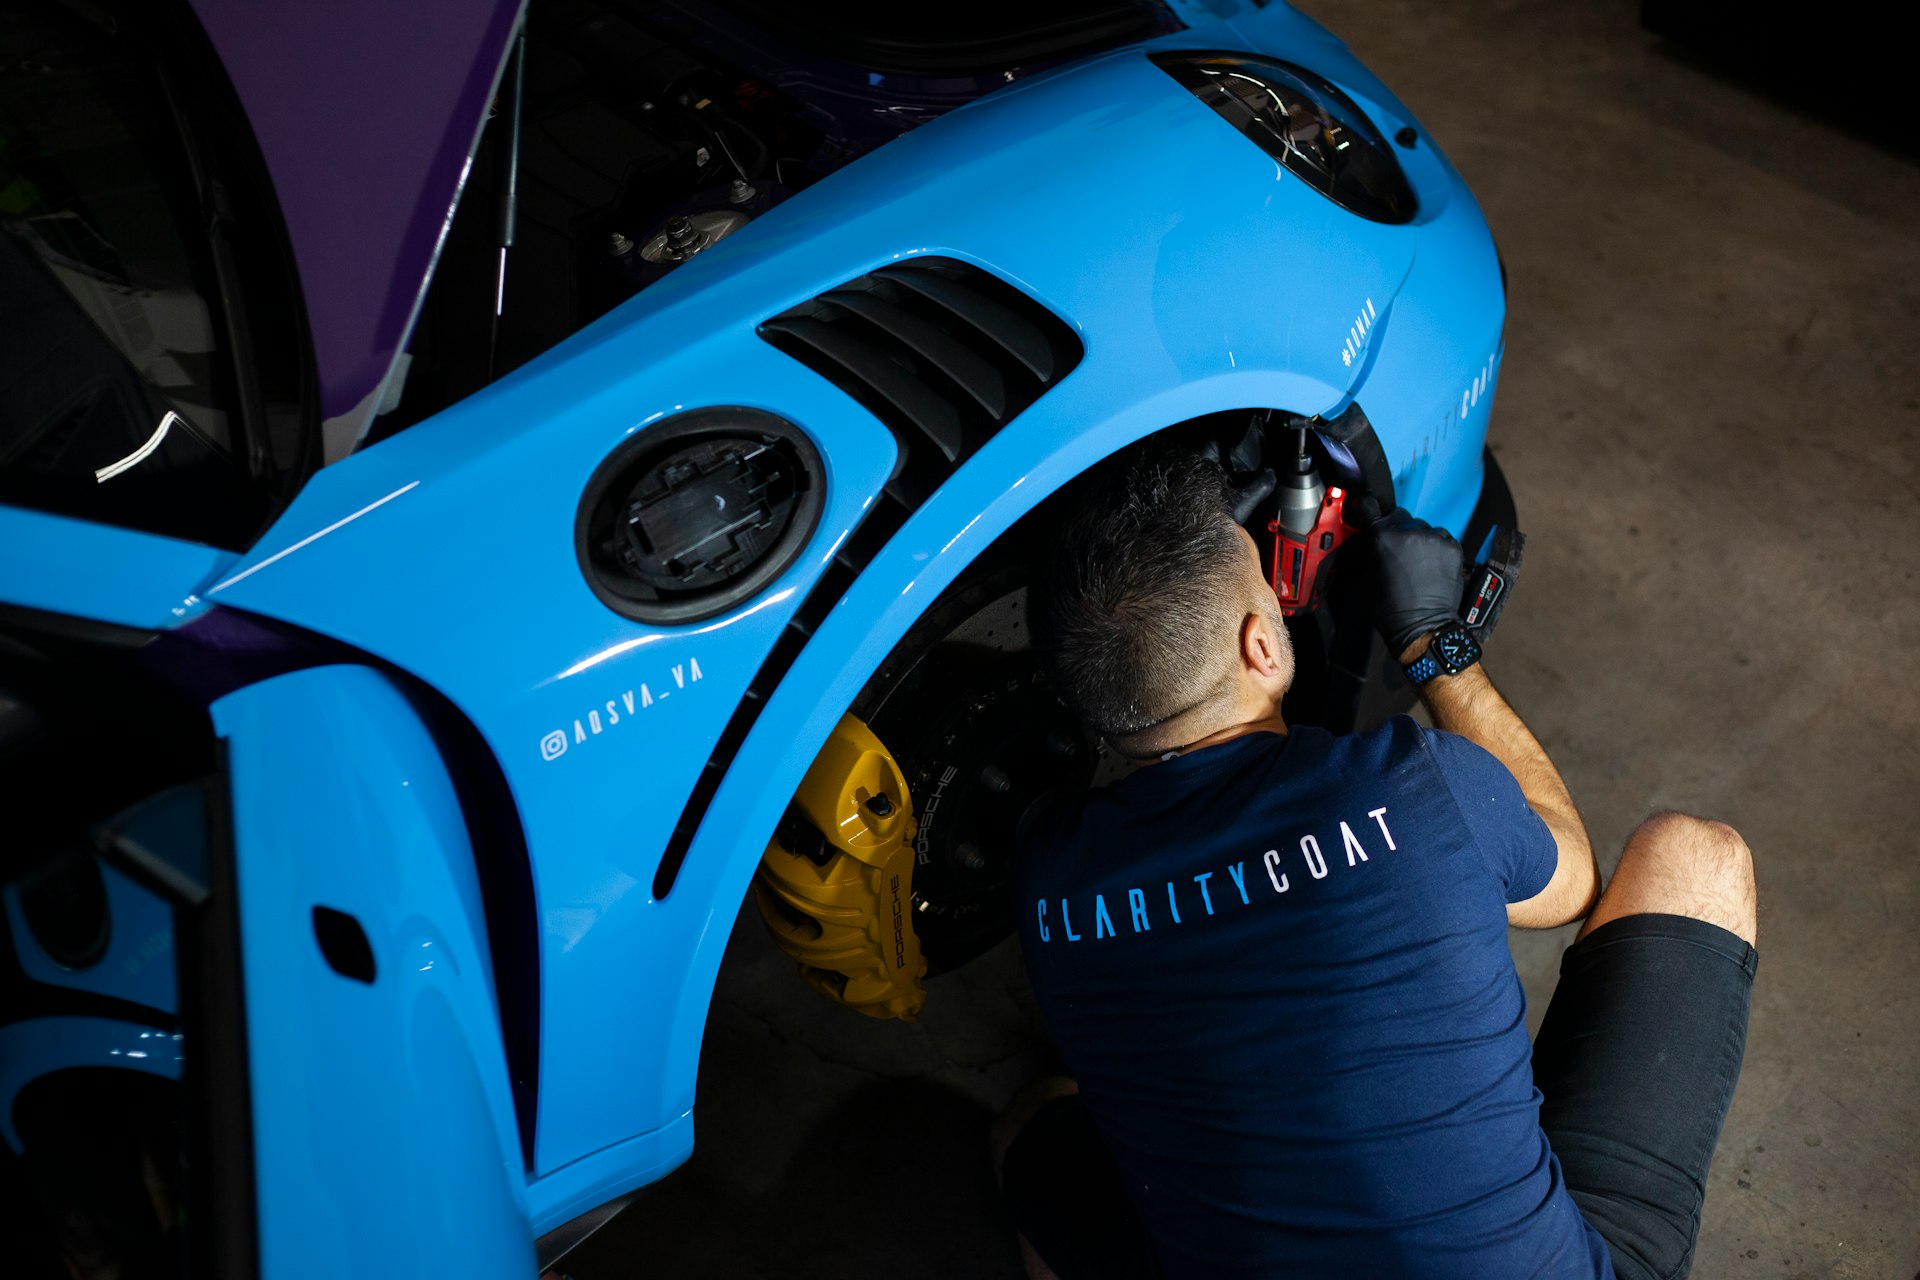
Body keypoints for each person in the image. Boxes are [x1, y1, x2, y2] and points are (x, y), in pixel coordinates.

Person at [992, 444, 1757, 1280]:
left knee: (1032, 1124)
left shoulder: (1045, 877)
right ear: (1261, 647)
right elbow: (1569, 883)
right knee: (1695, 854)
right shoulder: (1415, 782)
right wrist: (1436, 640)